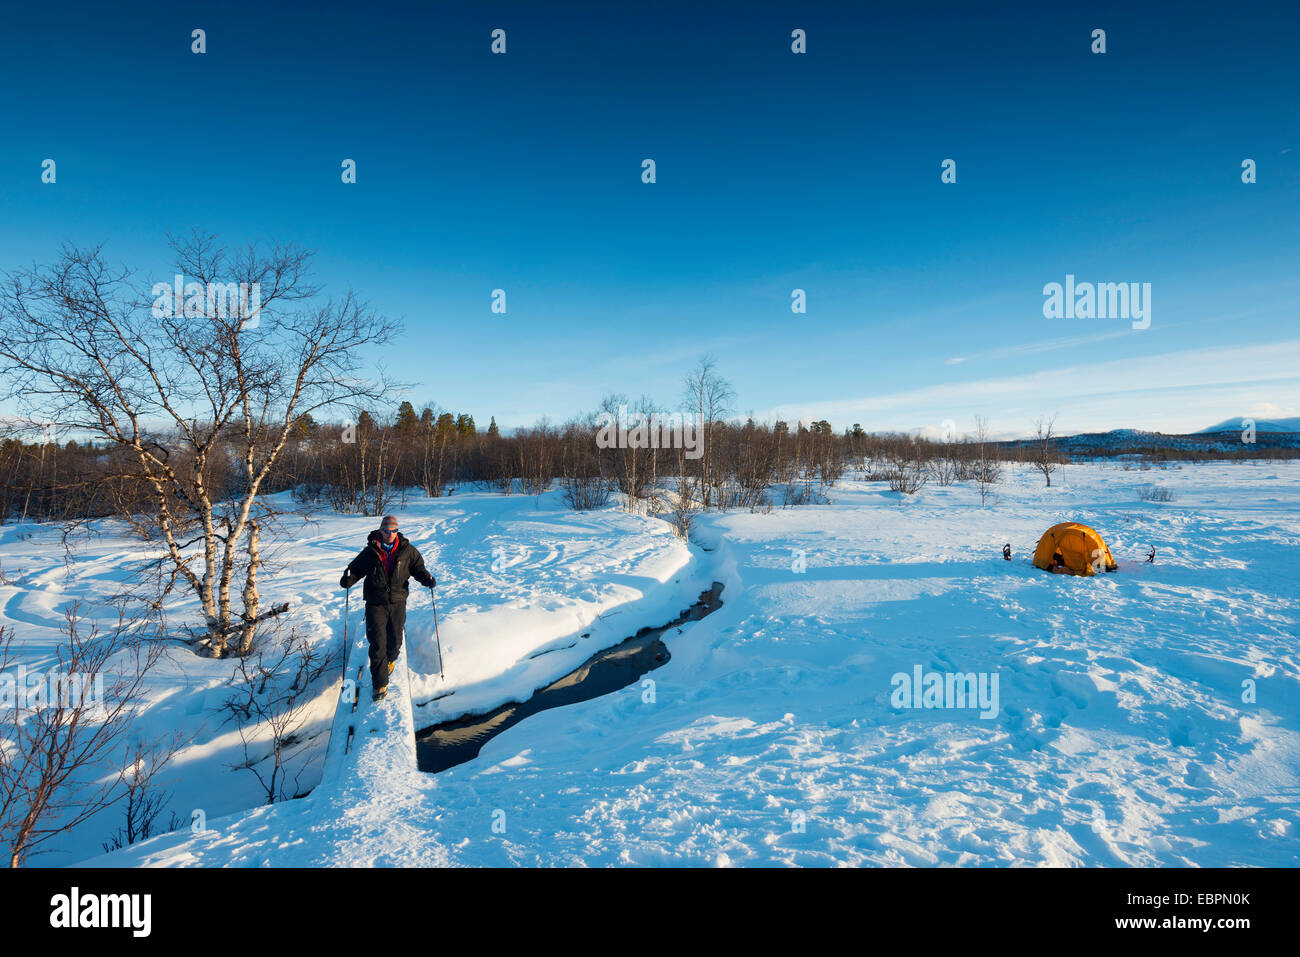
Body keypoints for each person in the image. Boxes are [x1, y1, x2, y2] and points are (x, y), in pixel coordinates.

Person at [340, 515, 435, 701]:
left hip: (398, 602)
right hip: (375, 603)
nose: (389, 534)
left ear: (397, 531)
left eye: (393, 530)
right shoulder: (370, 551)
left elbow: (418, 568)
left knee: (395, 641)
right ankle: (380, 685)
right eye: (386, 530)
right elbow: (356, 569)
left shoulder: (408, 550)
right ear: (380, 531)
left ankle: (391, 660)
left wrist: (427, 579)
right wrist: (348, 578)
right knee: (377, 644)